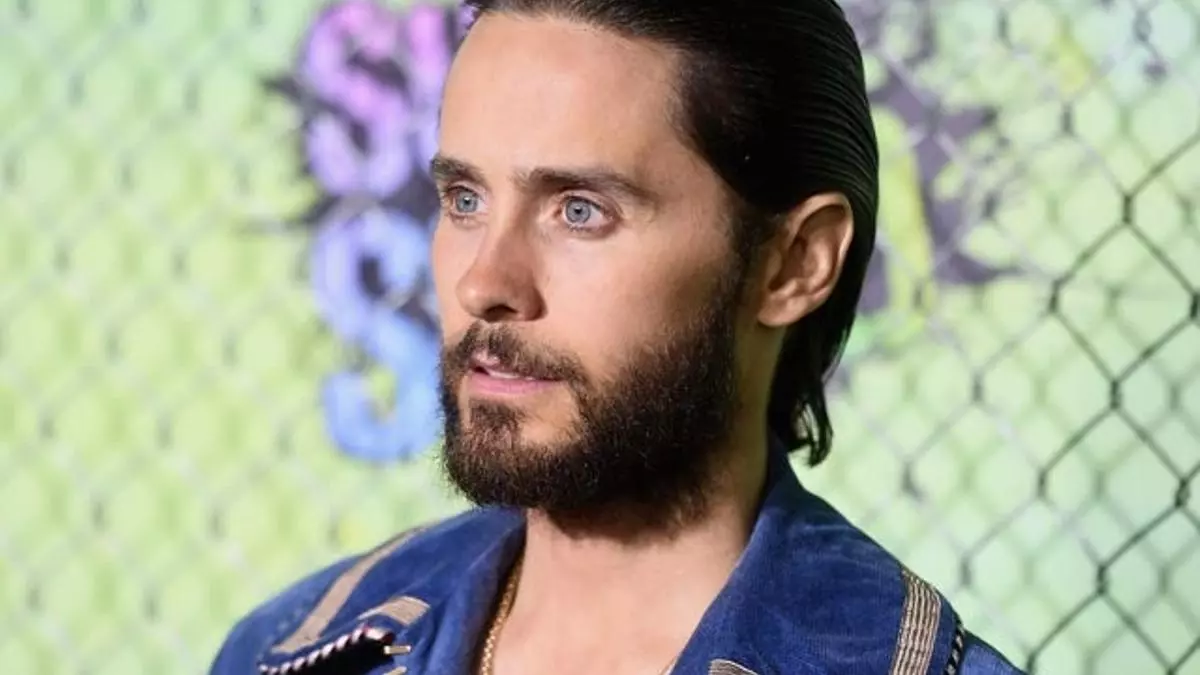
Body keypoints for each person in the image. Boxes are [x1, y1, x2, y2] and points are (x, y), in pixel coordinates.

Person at [211, 0, 1025, 673]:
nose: (483, 284)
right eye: (465, 200)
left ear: (794, 263)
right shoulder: (292, 650)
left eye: (579, 211)